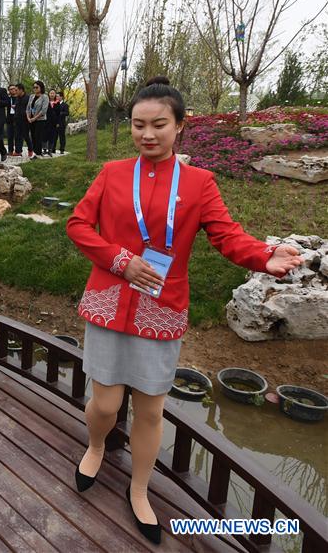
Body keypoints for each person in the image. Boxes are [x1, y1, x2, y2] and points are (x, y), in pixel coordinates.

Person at [66, 76, 303, 545]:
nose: (146, 134)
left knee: (151, 413)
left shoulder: (199, 183)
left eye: (158, 125)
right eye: (137, 125)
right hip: (110, 301)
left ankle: (139, 491)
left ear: (179, 127)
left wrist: (263, 254)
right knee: (107, 402)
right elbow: (77, 224)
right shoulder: (112, 174)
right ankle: (95, 446)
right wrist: (121, 261)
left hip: (161, 308)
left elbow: (227, 234)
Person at [26, 80, 49, 158]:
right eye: (34, 87)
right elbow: (28, 108)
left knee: (38, 136)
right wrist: (28, 117)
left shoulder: (45, 97)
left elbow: (43, 111)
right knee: (32, 136)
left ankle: (38, 153)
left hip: (40, 120)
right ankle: (35, 153)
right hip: (31, 120)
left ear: (41, 87)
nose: (35, 89)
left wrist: (34, 118)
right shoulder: (31, 96)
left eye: (37, 87)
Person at [12, 83, 30, 157]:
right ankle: (18, 151)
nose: (15, 92)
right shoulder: (17, 98)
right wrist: (15, 107)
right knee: (17, 136)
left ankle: (31, 149)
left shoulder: (28, 97)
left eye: (16, 90)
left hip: (25, 120)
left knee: (26, 136)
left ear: (21, 90)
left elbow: (30, 109)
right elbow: (18, 107)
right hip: (17, 119)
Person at [46, 89, 61, 155]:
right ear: (48, 94)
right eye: (51, 93)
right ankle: (44, 149)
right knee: (45, 135)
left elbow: (58, 114)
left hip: (54, 122)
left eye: (53, 93)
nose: (52, 94)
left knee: (52, 136)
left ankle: (50, 150)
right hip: (46, 121)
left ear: (55, 95)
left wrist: (58, 122)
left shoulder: (57, 103)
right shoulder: (46, 102)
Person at [5, 84, 18, 156]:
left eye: (13, 88)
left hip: (17, 119)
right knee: (10, 136)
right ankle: (10, 150)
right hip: (9, 119)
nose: (12, 90)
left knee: (17, 136)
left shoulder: (19, 98)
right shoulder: (8, 98)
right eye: (10, 89)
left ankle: (18, 151)